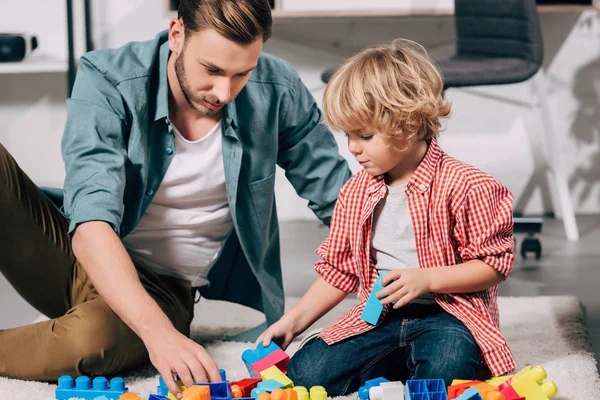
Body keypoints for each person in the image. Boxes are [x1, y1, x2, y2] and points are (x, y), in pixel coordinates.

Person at [0, 0, 351, 396]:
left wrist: (413, 262)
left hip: (164, 288)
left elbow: (345, 204)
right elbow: (91, 223)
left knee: (90, 342)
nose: (224, 92)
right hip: (74, 251)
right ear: (177, 34)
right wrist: (156, 335)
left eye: (242, 74)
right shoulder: (109, 78)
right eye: (212, 70)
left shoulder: (279, 90)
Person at [256, 39, 516, 395]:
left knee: (446, 367)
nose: (352, 148)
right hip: (380, 317)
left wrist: (426, 280)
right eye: (347, 135)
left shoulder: (469, 185)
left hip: (450, 316)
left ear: (408, 124)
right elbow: (340, 270)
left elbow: (493, 266)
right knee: (306, 370)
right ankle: (399, 360)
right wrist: (292, 322)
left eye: (364, 135)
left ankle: (417, 364)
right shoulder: (356, 192)